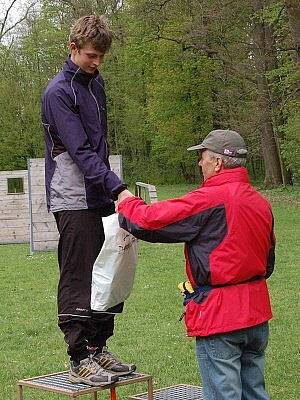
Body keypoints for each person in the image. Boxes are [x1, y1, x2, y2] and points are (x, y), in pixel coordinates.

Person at [117, 129, 275, 400]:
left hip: (221, 315)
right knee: (255, 393)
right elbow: (268, 263)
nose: (199, 163)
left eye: (202, 157)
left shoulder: (209, 199)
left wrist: (125, 201)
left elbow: (150, 220)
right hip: (257, 313)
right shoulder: (261, 203)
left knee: (223, 395)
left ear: (217, 162)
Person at [41, 15, 135, 386]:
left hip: (99, 193)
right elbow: (80, 151)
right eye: (92, 56)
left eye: (102, 57)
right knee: (79, 274)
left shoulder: (96, 85)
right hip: (72, 197)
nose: (97, 63)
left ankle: (98, 348)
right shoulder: (57, 93)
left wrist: (108, 189)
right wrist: (119, 187)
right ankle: (78, 356)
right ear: (73, 48)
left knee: (110, 270)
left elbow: (100, 145)